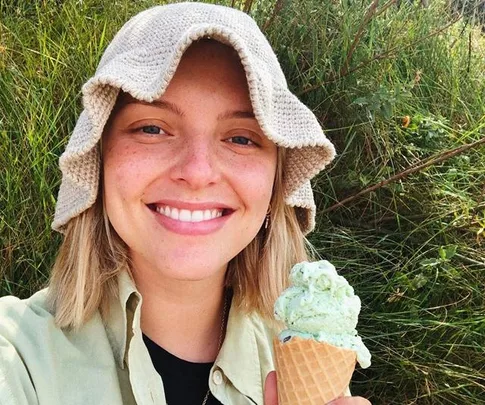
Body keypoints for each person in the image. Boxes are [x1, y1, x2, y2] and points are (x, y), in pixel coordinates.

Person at [0, 3, 370, 405]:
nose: (197, 172)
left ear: (274, 185)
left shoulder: (299, 347)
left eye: (241, 138)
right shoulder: (17, 361)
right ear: (99, 159)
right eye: (152, 129)